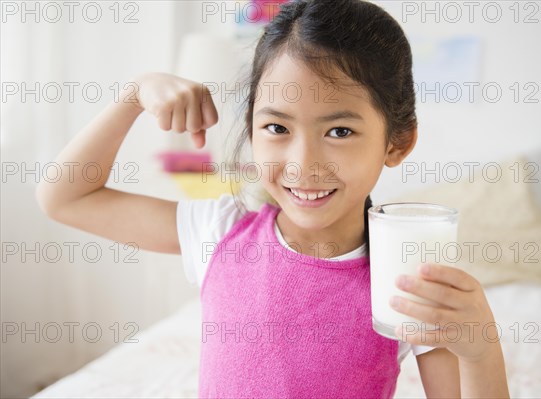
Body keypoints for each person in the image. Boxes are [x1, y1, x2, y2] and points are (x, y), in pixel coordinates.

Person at [36, 0, 510, 397]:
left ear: (397, 142)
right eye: (277, 127)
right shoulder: (221, 231)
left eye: (340, 130)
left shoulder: (403, 281)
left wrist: (481, 347)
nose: (303, 164)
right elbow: (66, 198)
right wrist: (135, 94)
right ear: (251, 131)